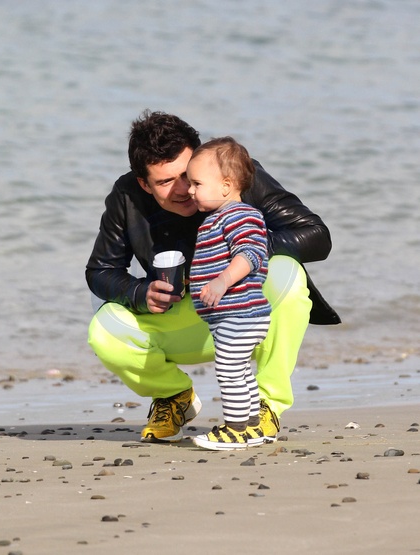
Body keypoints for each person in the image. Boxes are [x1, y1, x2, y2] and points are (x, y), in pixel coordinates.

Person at [85, 110, 340, 444]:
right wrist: (140, 293)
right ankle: (173, 395)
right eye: (165, 182)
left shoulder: (234, 174)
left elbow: (317, 236)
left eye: (189, 176)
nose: (184, 190)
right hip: (184, 320)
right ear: (144, 184)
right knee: (103, 329)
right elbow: (100, 271)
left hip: (245, 315)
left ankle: (267, 406)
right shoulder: (126, 195)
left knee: (288, 273)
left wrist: (242, 253)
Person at [187, 137, 271, 450]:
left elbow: (251, 253)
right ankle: (252, 427)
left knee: (229, 370)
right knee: (242, 371)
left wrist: (222, 282)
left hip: (241, 314)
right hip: (233, 317)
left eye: (196, 184)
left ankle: (235, 429)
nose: (190, 190)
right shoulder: (218, 218)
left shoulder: (240, 214)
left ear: (226, 185)